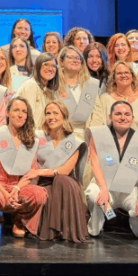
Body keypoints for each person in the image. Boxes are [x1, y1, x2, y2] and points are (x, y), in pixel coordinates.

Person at [0, 97, 48, 238]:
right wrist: (5, 193)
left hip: (18, 187)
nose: (20, 115)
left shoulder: (31, 140)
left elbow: (31, 173)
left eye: (24, 111)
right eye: (16, 110)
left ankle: (20, 221)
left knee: (40, 194)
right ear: (7, 113)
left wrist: (16, 189)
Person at [85, 101, 138, 238]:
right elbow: (96, 164)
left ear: (132, 118)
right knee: (93, 193)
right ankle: (95, 228)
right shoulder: (98, 135)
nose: (123, 117)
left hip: (128, 189)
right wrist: (104, 188)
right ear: (110, 117)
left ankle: (136, 225)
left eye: (127, 114)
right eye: (118, 114)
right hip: (105, 186)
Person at [35, 101, 89, 242]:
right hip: (43, 182)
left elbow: (65, 170)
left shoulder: (75, 142)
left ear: (64, 116)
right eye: (48, 113)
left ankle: (65, 230)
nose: (51, 117)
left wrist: (40, 172)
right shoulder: (37, 137)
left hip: (66, 182)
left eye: (55, 113)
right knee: (50, 188)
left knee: (61, 180)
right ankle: (54, 230)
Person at [90, 60, 138, 140]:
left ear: (132, 76)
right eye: (119, 73)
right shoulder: (104, 99)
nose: (123, 75)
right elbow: (97, 127)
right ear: (113, 78)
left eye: (126, 72)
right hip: (109, 148)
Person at [55, 46, 102, 138]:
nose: (75, 60)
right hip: (60, 137)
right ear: (61, 61)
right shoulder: (53, 85)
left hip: (87, 137)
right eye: (70, 57)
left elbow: (98, 115)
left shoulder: (91, 84)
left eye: (77, 58)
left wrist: (91, 137)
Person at [16, 53, 60, 131]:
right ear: (38, 66)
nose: (50, 69)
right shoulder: (31, 85)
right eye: (46, 64)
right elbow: (29, 118)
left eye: (53, 66)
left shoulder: (49, 91)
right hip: (29, 135)